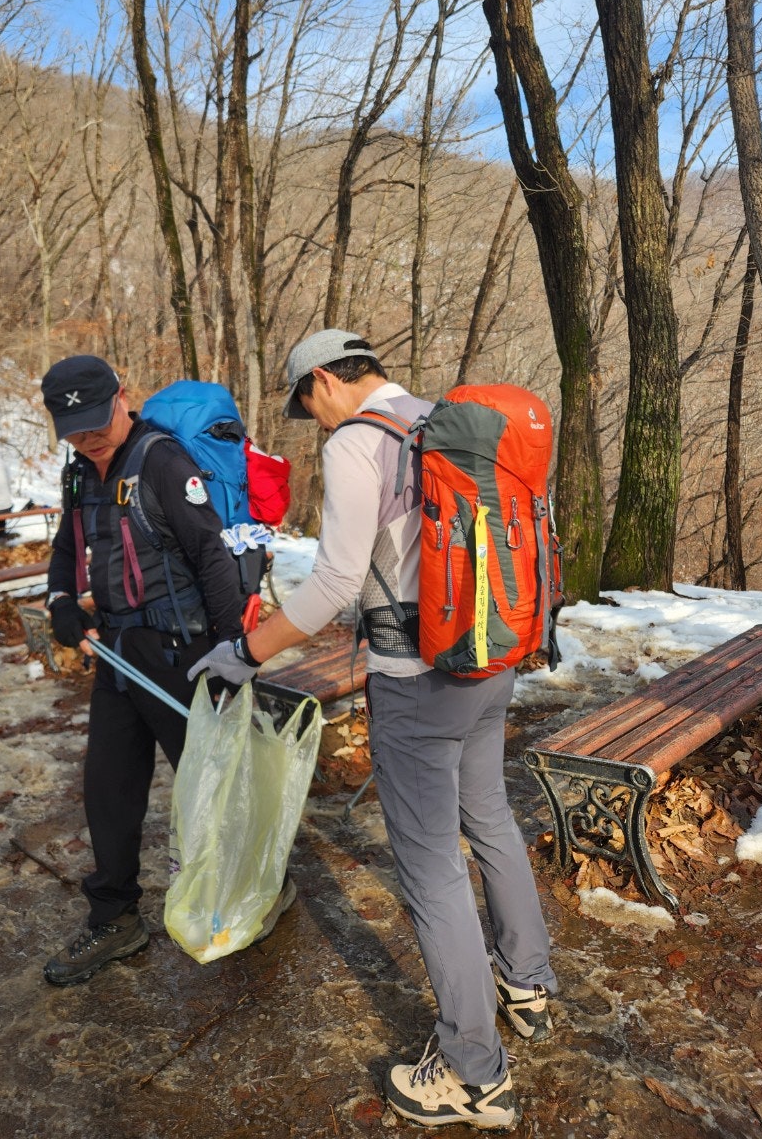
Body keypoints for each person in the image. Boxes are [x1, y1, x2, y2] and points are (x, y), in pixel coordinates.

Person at [189, 329, 556, 1132]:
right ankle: (527, 981)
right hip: (492, 658)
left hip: (417, 680)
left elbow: (333, 584)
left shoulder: (358, 443)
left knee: (430, 871)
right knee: (489, 816)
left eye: (307, 403)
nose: (312, 421)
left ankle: (471, 1073)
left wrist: (247, 653)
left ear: (326, 380)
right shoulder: (439, 419)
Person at [38, 354, 296, 987]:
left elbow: (212, 554)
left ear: (123, 397)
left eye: (98, 422)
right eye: (74, 428)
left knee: (213, 787)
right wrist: (61, 600)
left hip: (188, 653)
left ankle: (259, 890)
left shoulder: (161, 462)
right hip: (119, 653)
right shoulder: (80, 473)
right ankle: (116, 916)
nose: (90, 437)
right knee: (108, 786)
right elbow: (70, 545)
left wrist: (234, 650)